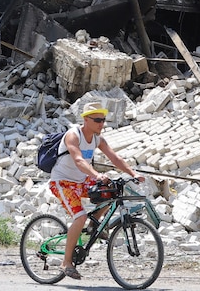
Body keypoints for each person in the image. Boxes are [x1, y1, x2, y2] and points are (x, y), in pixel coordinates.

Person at [48, 102, 144, 280]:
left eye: (104, 120)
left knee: (111, 190)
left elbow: (114, 157)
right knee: (80, 216)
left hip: (81, 181)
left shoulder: (97, 139)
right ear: (86, 119)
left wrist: (133, 173)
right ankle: (66, 263)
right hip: (62, 182)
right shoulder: (73, 135)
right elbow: (78, 159)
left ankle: (94, 225)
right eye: (98, 120)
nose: (102, 124)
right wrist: (96, 175)